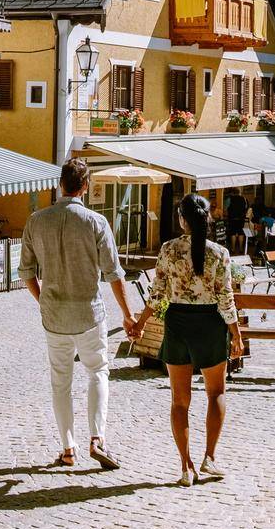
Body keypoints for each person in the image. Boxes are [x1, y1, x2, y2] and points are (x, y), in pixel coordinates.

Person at [19, 157, 135, 471]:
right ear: (85, 186)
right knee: (98, 372)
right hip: (89, 313)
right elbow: (113, 273)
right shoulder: (96, 223)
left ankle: (68, 449)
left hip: (54, 315)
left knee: (60, 383)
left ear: (60, 184)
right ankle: (97, 437)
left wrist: (42, 300)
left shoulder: (36, 221)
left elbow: (27, 272)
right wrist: (128, 315)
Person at [127, 193, 244, 486]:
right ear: (207, 218)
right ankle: (210, 458)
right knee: (215, 392)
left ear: (182, 219)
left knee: (179, 401)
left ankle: (185, 467)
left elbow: (158, 293)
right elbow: (225, 298)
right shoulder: (219, 253)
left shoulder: (168, 250)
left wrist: (140, 324)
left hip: (178, 322)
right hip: (209, 323)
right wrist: (236, 335)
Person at [224, 189, 247, 253]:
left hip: (232, 219)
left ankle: (233, 249)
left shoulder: (229, 199)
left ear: (232, 193)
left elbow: (225, 210)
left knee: (233, 233)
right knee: (241, 233)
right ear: (239, 192)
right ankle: (241, 249)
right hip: (241, 219)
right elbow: (245, 208)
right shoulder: (244, 199)